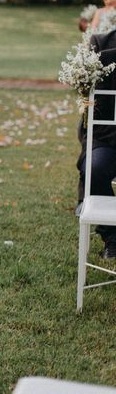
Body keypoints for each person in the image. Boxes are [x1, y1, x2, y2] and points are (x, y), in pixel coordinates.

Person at [77, 26, 116, 258]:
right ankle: (112, 236)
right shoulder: (101, 42)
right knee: (94, 168)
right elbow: (94, 102)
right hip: (107, 137)